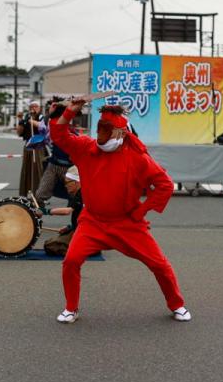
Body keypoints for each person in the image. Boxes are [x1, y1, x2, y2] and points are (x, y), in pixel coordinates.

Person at [49, 99, 190, 324]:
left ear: (121, 133)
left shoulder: (138, 157)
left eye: (108, 129)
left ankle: (177, 304)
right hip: (92, 222)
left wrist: (141, 211)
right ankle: (71, 308)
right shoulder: (87, 148)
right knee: (71, 261)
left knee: (159, 264)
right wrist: (69, 112)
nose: (101, 134)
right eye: (100, 128)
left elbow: (165, 184)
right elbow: (59, 135)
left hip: (127, 224)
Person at [34, 98, 73, 207]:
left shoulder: (70, 130)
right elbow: (42, 128)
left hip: (70, 167)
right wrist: (49, 113)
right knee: (40, 194)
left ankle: (76, 223)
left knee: (75, 197)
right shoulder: (52, 124)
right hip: (54, 164)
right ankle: (36, 217)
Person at [43, 166, 83, 256]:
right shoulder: (79, 192)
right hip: (79, 228)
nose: (65, 185)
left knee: (50, 246)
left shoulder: (81, 193)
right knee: (51, 241)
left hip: (84, 232)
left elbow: (67, 211)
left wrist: (45, 211)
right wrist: (69, 227)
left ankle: (83, 248)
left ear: (76, 182)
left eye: (67, 182)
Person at [16, 100, 47, 197]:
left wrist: (31, 121)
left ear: (39, 108)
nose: (33, 109)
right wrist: (20, 121)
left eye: (35, 107)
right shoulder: (26, 118)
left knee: (38, 170)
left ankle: (39, 194)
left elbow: (43, 127)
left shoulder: (42, 117)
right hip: (28, 146)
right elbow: (19, 133)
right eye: (31, 107)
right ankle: (26, 193)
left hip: (38, 147)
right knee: (27, 170)